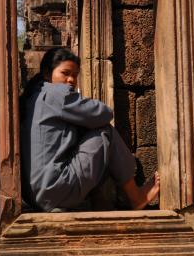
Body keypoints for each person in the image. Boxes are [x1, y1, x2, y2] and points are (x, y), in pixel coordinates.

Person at [20, 47, 160, 212]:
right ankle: (135, 197)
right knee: (104, 132)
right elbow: (104, 113)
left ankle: (100, 203)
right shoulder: (57, 94)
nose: (71, 80)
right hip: (54, 189)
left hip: (33, 196)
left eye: (75, 75)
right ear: (46, 73)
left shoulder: (32, 96)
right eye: (65, 73)